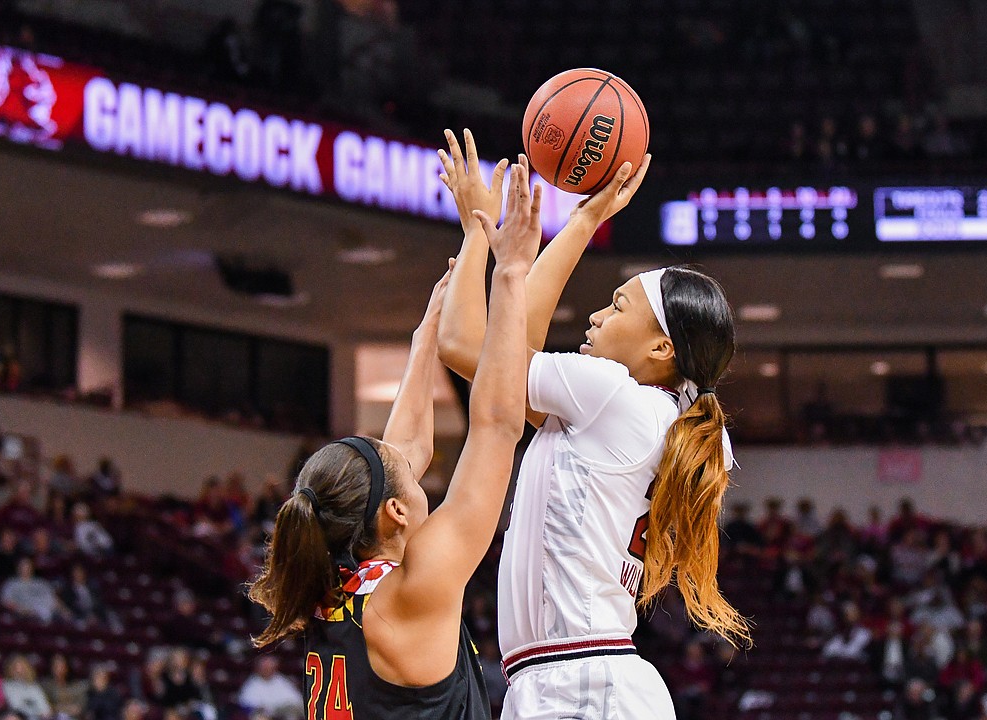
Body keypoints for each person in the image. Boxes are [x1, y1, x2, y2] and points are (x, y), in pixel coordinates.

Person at [436, 129, 747, 719]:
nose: (600, 314)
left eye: (619, 305)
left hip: (577, 682)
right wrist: (585, 216)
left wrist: (486, 226)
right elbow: (507, 356)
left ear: (661, 348)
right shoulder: (663, 416)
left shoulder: (615, 399)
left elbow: (466, 346)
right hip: (583, 678)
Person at [248, 159, 537, 719]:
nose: (417, 464)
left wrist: (426, 332)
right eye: (409, 472)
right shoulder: (413, 591)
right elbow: (499, 425)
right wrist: (509, 273)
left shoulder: (335, 592)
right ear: (396, 512)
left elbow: (404, 450)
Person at [236, 656, 304, 720]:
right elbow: (246, 702)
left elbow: (295, 698)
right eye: (265, 668)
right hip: (263, 712)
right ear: (259, 669)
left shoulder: (280, 679)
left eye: (270, 668)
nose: (267, 670)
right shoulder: (252, 683)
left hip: (282, 709)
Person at [0, 655, 51, 720]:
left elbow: (45, 708)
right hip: (20, 716)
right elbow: (16, 706)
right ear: (10, 669)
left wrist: (43, 713)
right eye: (16, 668)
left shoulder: (34, 687)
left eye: (22, 668)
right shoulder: (7, 685)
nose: (19, 671)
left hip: (38, 717)